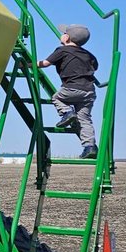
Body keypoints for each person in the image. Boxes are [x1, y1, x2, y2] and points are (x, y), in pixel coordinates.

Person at [38, 24, 100, 159]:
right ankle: (90, 146)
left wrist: (27, 64)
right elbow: (95, 66)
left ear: (66, 38)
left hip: (72, 88)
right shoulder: (89, 55)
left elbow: (45, 63)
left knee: (57, 98)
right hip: (89, 91)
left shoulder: (62, 51)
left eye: (64, 33)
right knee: (84, 119)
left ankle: (66, 112)